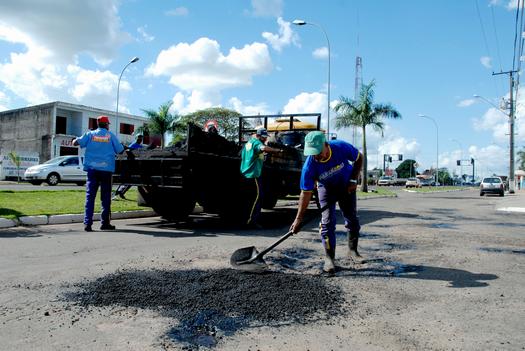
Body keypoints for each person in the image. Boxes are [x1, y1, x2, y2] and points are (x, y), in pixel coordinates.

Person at [289, 131, 364, 273]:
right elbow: (305, 193)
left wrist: (354, 180)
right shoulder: (309, 167)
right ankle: (329, 258)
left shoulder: (340, 147)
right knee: (327, 222)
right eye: (312, 153)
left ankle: (353, 251)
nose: (316, 156)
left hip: (347, 185)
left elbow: (359, 157)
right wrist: (298, 219)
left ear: (326, 144)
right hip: (326, 189)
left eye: (318, 152)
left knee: (351, 218)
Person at [73, 115, 124, 232]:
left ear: (97, 124)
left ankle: (87, 224)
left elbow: (77, 142)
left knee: (90, 197)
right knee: (105, 198)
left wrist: (75, 140)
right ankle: (105, 223)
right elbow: (120, 150)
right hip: (106, 171)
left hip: (92, 170)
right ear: (107, 125)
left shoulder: (90, 134)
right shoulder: (111, 136)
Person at [240, 127, 282, 228]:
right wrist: (277, 150)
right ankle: (252, 221)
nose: (265, 139)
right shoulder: (257, 143)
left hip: (245, 173)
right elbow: (263, 148)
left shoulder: (248, 144)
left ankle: (245, 219)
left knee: (249, 198)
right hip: (253, 174)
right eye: (264, 137)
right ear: (259, 136)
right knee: (258, 197)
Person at [113, 134, 144, 200]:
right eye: (139, 138)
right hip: (129, 166)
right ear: (136, 138)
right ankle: (116, 193)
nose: (140, 139)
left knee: (131, 182)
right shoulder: (133, 145)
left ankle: (121, 193)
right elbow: (128, 151)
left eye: (141, 138)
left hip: (136, 167)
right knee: (124, 181)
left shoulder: (141, 146)